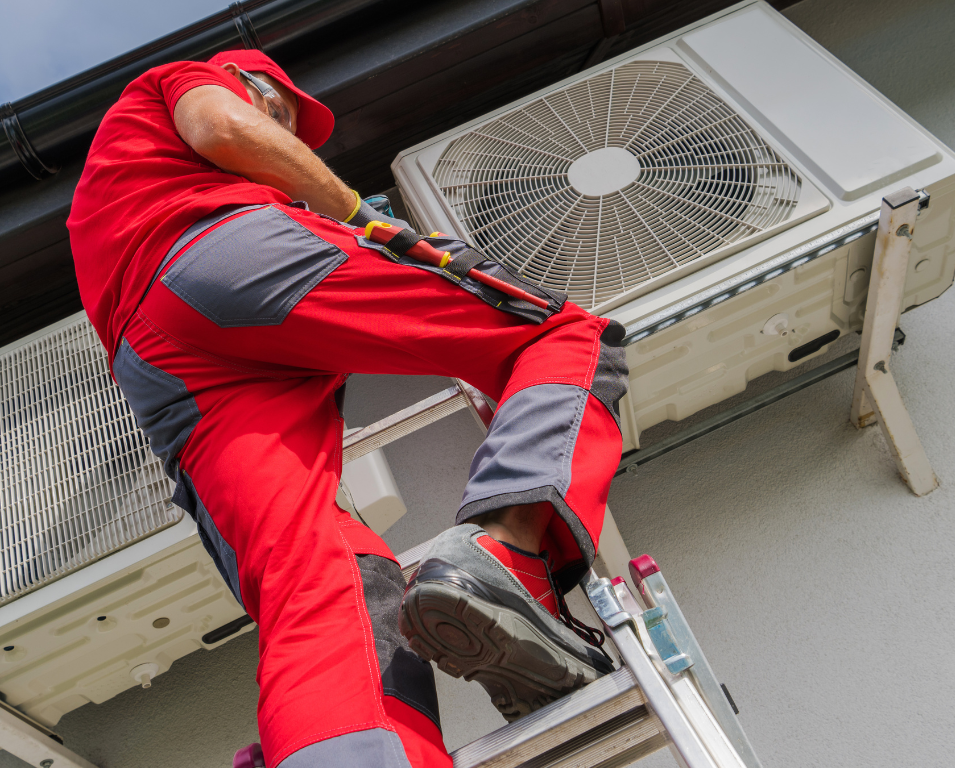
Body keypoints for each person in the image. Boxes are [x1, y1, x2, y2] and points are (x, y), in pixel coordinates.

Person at [67, 49, 628, 768]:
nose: (291, 140)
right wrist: (360, 217)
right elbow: (219, 129)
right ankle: (508, 557)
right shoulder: (184, 81)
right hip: (218, 249)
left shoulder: (115, 190)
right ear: (254, 87)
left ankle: (339, 753)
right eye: (285, 117)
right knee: (562, 336)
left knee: (320, 568)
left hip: (158, 363)